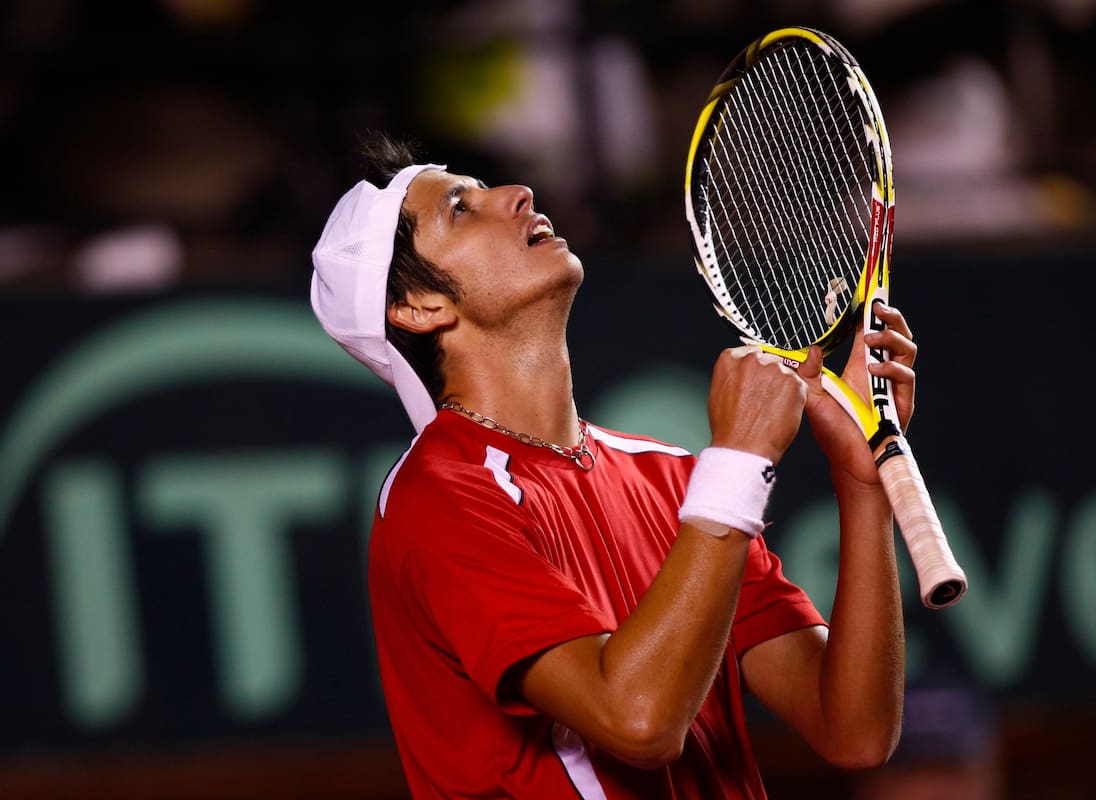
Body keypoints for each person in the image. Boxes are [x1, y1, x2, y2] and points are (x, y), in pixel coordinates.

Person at [311, 132, 910, 799]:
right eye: (461, 209)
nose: (517, 195)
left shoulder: (678, 480)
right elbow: (639, 720)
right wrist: (739, 462)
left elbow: (854, 729)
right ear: (418, 307)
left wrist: (862, 486)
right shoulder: (437, 498)